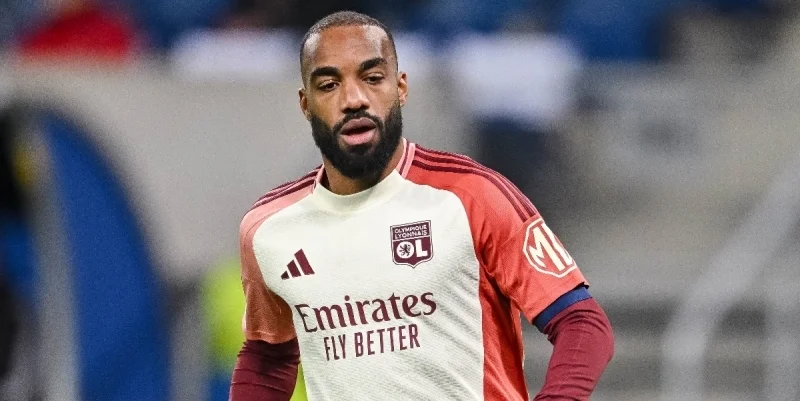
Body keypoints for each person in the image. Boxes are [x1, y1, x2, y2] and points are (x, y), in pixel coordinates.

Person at [230, 11, 614, 401]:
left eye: (372, 78)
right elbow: (268, 359)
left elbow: (582, 323)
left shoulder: (473, 196)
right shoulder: (269, 229)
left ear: (400, 88)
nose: (353, 99)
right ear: (305, 104)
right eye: (328, 85)